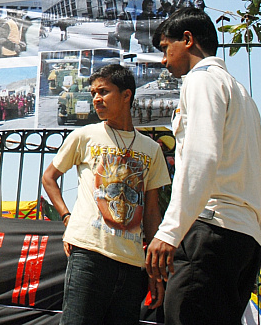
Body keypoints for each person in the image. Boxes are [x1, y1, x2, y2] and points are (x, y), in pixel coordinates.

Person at [146, 7, 261, 325]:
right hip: (244, 240)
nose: (164, 60)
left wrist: (169, 232)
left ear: (187, 40)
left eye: (165, 48)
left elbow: (201, 157)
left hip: (209, 232)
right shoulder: (244, 96)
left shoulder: (201, 80)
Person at [42, 64, 171, 325]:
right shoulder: (84, 136)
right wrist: (67, 217)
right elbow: (49, 178)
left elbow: (152, 211)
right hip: (89, 255)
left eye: (104, 91)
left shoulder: (151, 149)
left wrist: (154, 271)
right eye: (93, 93)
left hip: (133, 264)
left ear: (126, 95)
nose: (96, 99)